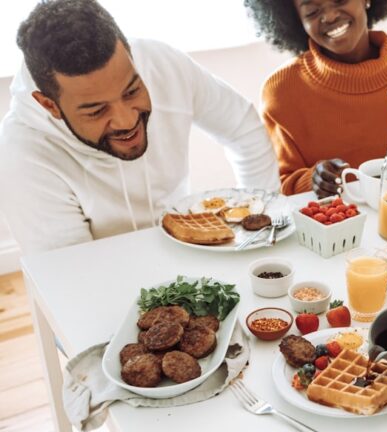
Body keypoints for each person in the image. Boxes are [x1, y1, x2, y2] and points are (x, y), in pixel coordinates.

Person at [0, 0, 280, 254]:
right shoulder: (23, 154)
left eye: (131, 91)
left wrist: (259, 230)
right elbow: (73, 271)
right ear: (49, 105)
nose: (126, 121)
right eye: (97, 110)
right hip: (97, 283)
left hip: (185, 254)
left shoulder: (163, 63)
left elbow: (242, 126)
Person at [244, 0, 387, 197]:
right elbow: (280, 186)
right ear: (296, 20)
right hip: (327, 222)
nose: (330, 16)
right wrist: (312, 179)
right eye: (312, 11)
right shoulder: (280, 91)